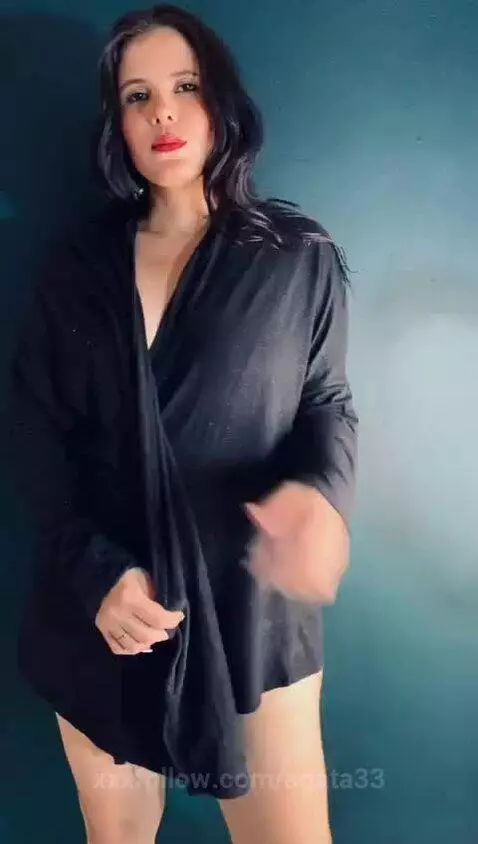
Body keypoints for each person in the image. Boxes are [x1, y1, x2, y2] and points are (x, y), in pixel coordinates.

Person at [6, 5, 359, 843]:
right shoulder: (76, 267)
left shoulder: (296, 256)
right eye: (138, 96)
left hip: (251, 608)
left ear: (221, 101)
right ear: (118, 122)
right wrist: (97, 575)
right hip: (106, 613)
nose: (162, 111)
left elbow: (326, 403)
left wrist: (322, 499)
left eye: (185, 86)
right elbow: (35, 435)